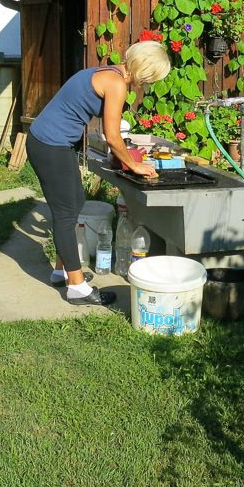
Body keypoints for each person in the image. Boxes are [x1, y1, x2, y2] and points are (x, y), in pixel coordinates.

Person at [26, 40, 171, 307]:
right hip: (49, 144)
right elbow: (112, 136)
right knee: (66, 214)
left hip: (54, 142)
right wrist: (135, 165)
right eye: (151, 78)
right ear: (145, 71)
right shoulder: (117, 84)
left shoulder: (109, 72)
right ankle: (77, 288)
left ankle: (63, 270)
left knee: (75, 203)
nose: (148, 84)